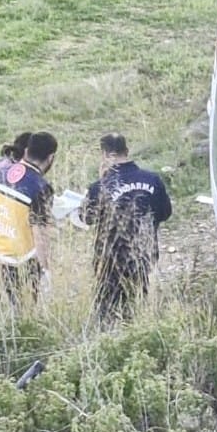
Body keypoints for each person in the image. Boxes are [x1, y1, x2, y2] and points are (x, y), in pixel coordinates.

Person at [81, 133, 172, 322]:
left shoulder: (100, 186)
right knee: (138, 301)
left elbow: (86, 218)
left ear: (104, 155)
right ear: (127, 151)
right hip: (144, 252)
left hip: (109, 259)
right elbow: (165, 213)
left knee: (107, 310)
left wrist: (102, 180)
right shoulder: (153, 179)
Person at [0, 132, 57, 309]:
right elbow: (40, 234)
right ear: (51, 158)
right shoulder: (41, 187)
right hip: (21, 261)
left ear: (26, 151)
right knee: (24, 310)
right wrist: (45, 270)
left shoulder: (0, 172)